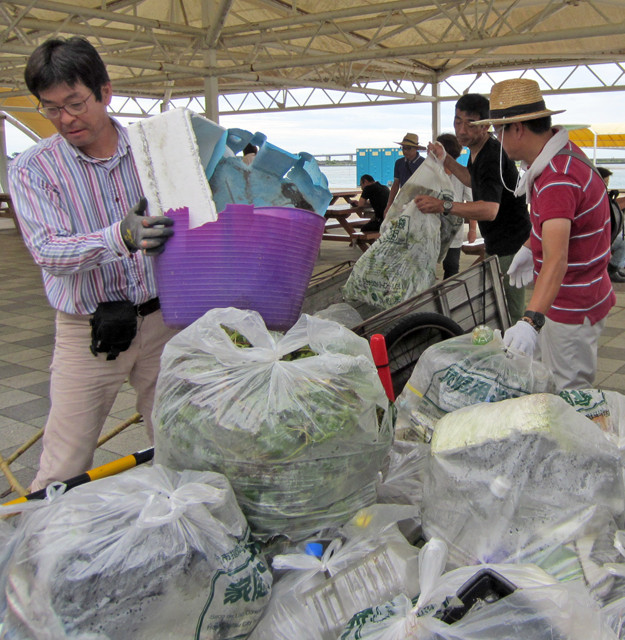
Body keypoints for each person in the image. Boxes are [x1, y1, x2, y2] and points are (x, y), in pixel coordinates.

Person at [9, 37, 177, 491]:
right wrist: (119, 237)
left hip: (164, 321)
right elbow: (47, 249)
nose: (65, 119)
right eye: (50, 108)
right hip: (88, 331)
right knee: (64, 462)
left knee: (180, 440)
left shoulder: (151, 150)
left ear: (105, 92)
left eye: (75, 103)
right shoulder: (33, 168)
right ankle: (38, 556)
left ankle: (195, 533)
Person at [475, 78, 615, 390]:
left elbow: (556, 260)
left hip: (572, 307)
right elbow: (560, 223)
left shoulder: (556, 178)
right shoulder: (562, 153)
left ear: (517, 129)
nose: (497, 138)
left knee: (570, 395)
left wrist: (530, 321)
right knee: (548, 383)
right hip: (580, 294)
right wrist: (529, 246)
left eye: (499, 130)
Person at [414, 93, 531, 323]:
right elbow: (471, 179)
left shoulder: (491, 155)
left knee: (511, 310)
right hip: (497, 241)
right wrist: (445, 158)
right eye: (458, 121)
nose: (462, 130)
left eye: (470, 123)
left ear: (486, 125)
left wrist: (443, 205)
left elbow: (489, 210)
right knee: (496, 304)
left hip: (511, 244)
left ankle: (522, 354)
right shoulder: (477, 150)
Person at [435, 133, 473, 279]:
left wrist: (473, 229)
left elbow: (470, 203)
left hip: (454, 230)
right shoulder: (432, 173)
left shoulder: (464, 173)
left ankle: (449, 299)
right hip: (432, 228)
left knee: (451, 268)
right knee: (427, 266)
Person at [383, 133, 425, 216]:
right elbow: (395, 185)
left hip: (419, 203)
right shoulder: (399, 163)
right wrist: (389, 205)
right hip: (403, 202)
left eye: (408, 148)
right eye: (403, 148)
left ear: (416, 148)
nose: (405, 151)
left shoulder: (423, 164)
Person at [597, 166, 625, 283]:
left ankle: (615, 267)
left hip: (605, 235)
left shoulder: (603, 195)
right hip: (599, 238)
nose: (606, 186)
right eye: (606, 182)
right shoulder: (596, 197)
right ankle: (612, 269)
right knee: (623, 243)